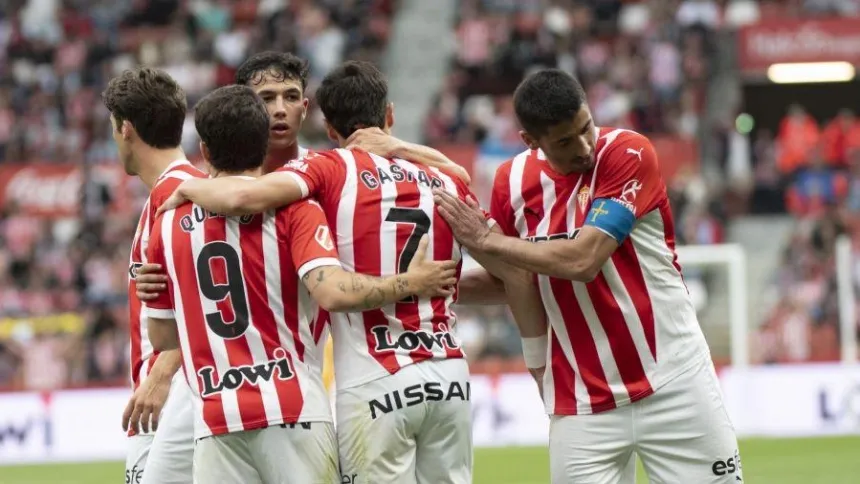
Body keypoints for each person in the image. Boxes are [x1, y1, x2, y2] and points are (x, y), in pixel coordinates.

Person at [155, 60, 512, 484]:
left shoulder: (320, 173)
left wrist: (188, 186)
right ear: (390, 114)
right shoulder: (445, 179)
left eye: (290, 97)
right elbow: (506, 275)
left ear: (321, 121)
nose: (280, 109)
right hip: (444, 372)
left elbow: (242, 198)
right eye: (268, 99)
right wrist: (430, 281)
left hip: (346, 379)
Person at [433, 69, 742, 483]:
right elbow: (517, 276)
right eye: (565, 141)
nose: (584, 148)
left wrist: (487, 240)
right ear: (531, 141)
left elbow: (583, 260)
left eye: (586, 127)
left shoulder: (627, 153)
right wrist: (432, 286)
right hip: (580, 402)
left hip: (675, 381)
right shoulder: (512, 183)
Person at [103, 67, 203, 484]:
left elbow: (205, 303)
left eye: (113, 127)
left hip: (172, 401)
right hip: (171, 399)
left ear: (126, 129)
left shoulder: (178, 198)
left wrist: (161, 376)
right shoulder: (180, 190)